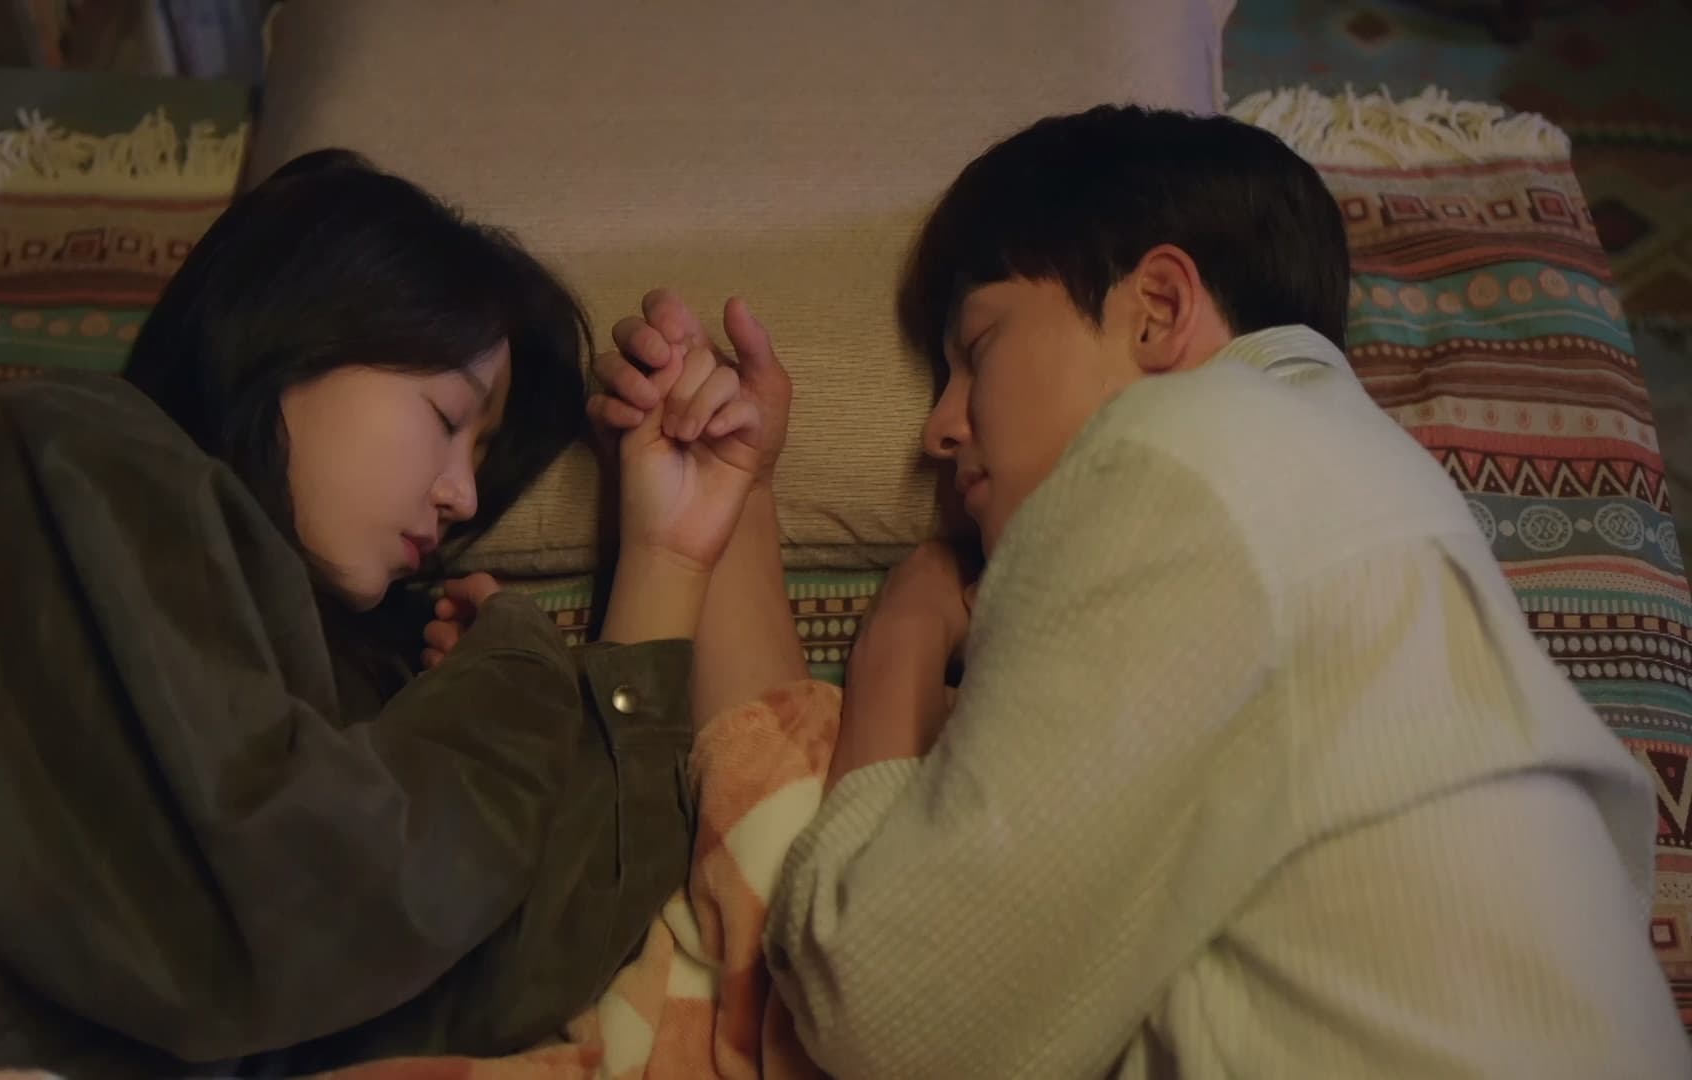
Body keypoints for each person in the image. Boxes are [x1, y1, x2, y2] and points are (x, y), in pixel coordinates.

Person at [606, 107, 1689, 1077]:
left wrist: (901, 634)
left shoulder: (1184, 455)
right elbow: (808, 843)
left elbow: (876, 1015)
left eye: (978, 349)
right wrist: (737, 506)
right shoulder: (1370, 510)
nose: (940, 427)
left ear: (1158, 310)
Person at [0, 150, 777, 1075]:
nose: (464, 498)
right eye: (446, 419)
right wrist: (515, 684)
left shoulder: (346, 697)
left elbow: (495, 989)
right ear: (300, 332)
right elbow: (279, 913)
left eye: (481, 459)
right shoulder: (67, 460)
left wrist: (664, 556)